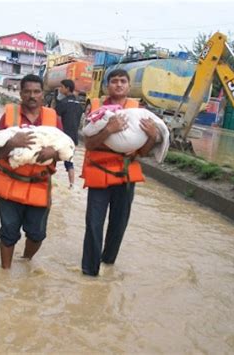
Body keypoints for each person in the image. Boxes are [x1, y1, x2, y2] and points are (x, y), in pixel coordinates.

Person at [81, 69, 158, 276]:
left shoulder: (139, 111)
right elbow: (89, 143)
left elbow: (143, 151)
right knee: (94, 224)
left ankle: (108, 263)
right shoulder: (96, 108)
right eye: (114, 81)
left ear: (128, 85)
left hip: (125, 176)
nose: (118, 85)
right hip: (99, 173)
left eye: (122, 81)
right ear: (107, 86)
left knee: (119, 224)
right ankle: (89, 271)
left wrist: (151, 137)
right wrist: (108, 130)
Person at [0, 74, 63, 269]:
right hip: (11, 182)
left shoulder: (54, 119)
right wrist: (13, 143)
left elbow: (66, 150)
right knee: (8, 231)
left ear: (43, 94)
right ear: (20, 93)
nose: (32, 96)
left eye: (36, 91)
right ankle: (5, 272)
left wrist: (53, 153)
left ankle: (26, 261)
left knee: (37, 233)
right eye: (27, 91)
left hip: (39, 184)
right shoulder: (9, 117)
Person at [55, 79, 83, 188]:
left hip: (61, 138)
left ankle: (47, 181)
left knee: (51, 159)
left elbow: (55, 119)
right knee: (69, 163)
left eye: (62, 87)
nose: (60, 89)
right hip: (73, 139)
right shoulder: (79, 105)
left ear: (67, 88)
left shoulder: (63, 103)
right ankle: (71, 185)